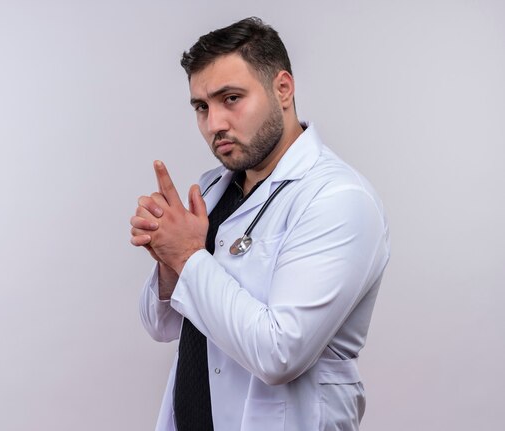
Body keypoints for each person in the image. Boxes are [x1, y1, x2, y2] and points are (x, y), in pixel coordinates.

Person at [130, 17, 390, 431]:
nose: (214, 124)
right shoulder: (214, 189)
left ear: (282, 89)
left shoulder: (337, 199)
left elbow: (279, 353)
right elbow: (162, 326)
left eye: (230, 98)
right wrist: (168, 256)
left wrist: (187, 254)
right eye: (202, 107)